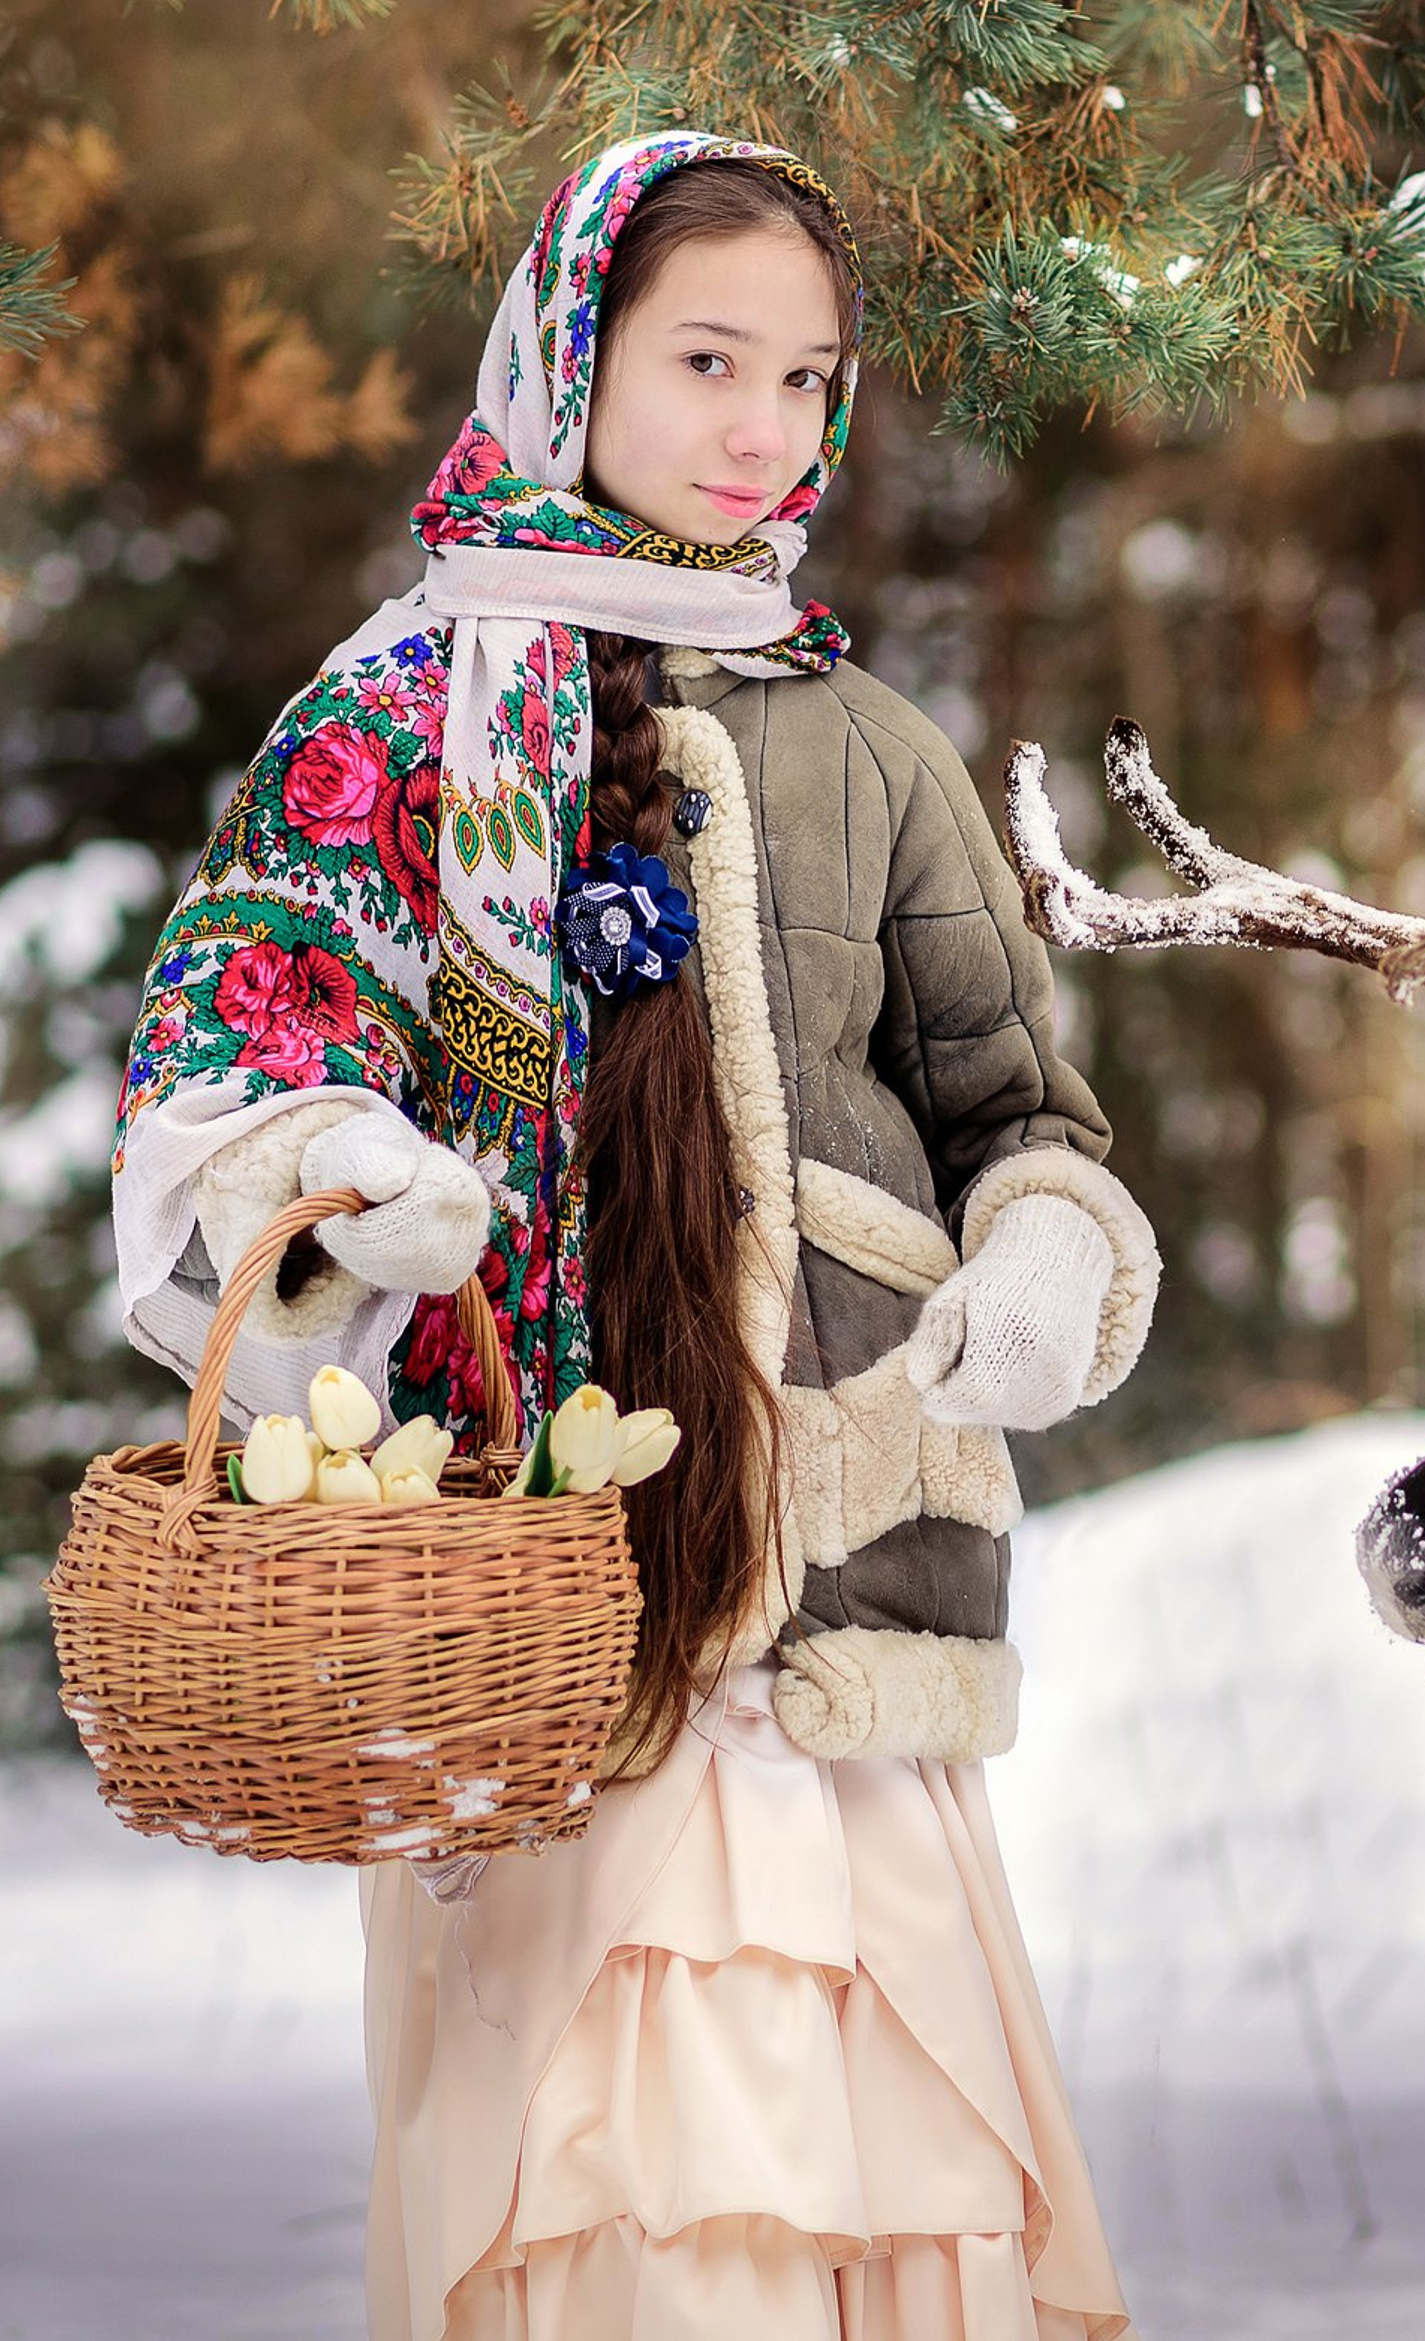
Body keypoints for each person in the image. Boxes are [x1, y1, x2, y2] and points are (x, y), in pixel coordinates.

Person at [111, 129, 1155, 2340]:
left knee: (884, 2172)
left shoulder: (872, 744)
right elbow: (232, 1042)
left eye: (807, 375)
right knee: (624, 2205)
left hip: (840, 1589)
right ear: (573, 352)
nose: (762, 425)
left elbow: (1011, 1105)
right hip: (535, 1601)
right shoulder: (393, 713)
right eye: (706, 358)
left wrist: (1045, 1251)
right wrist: (341, 1185)